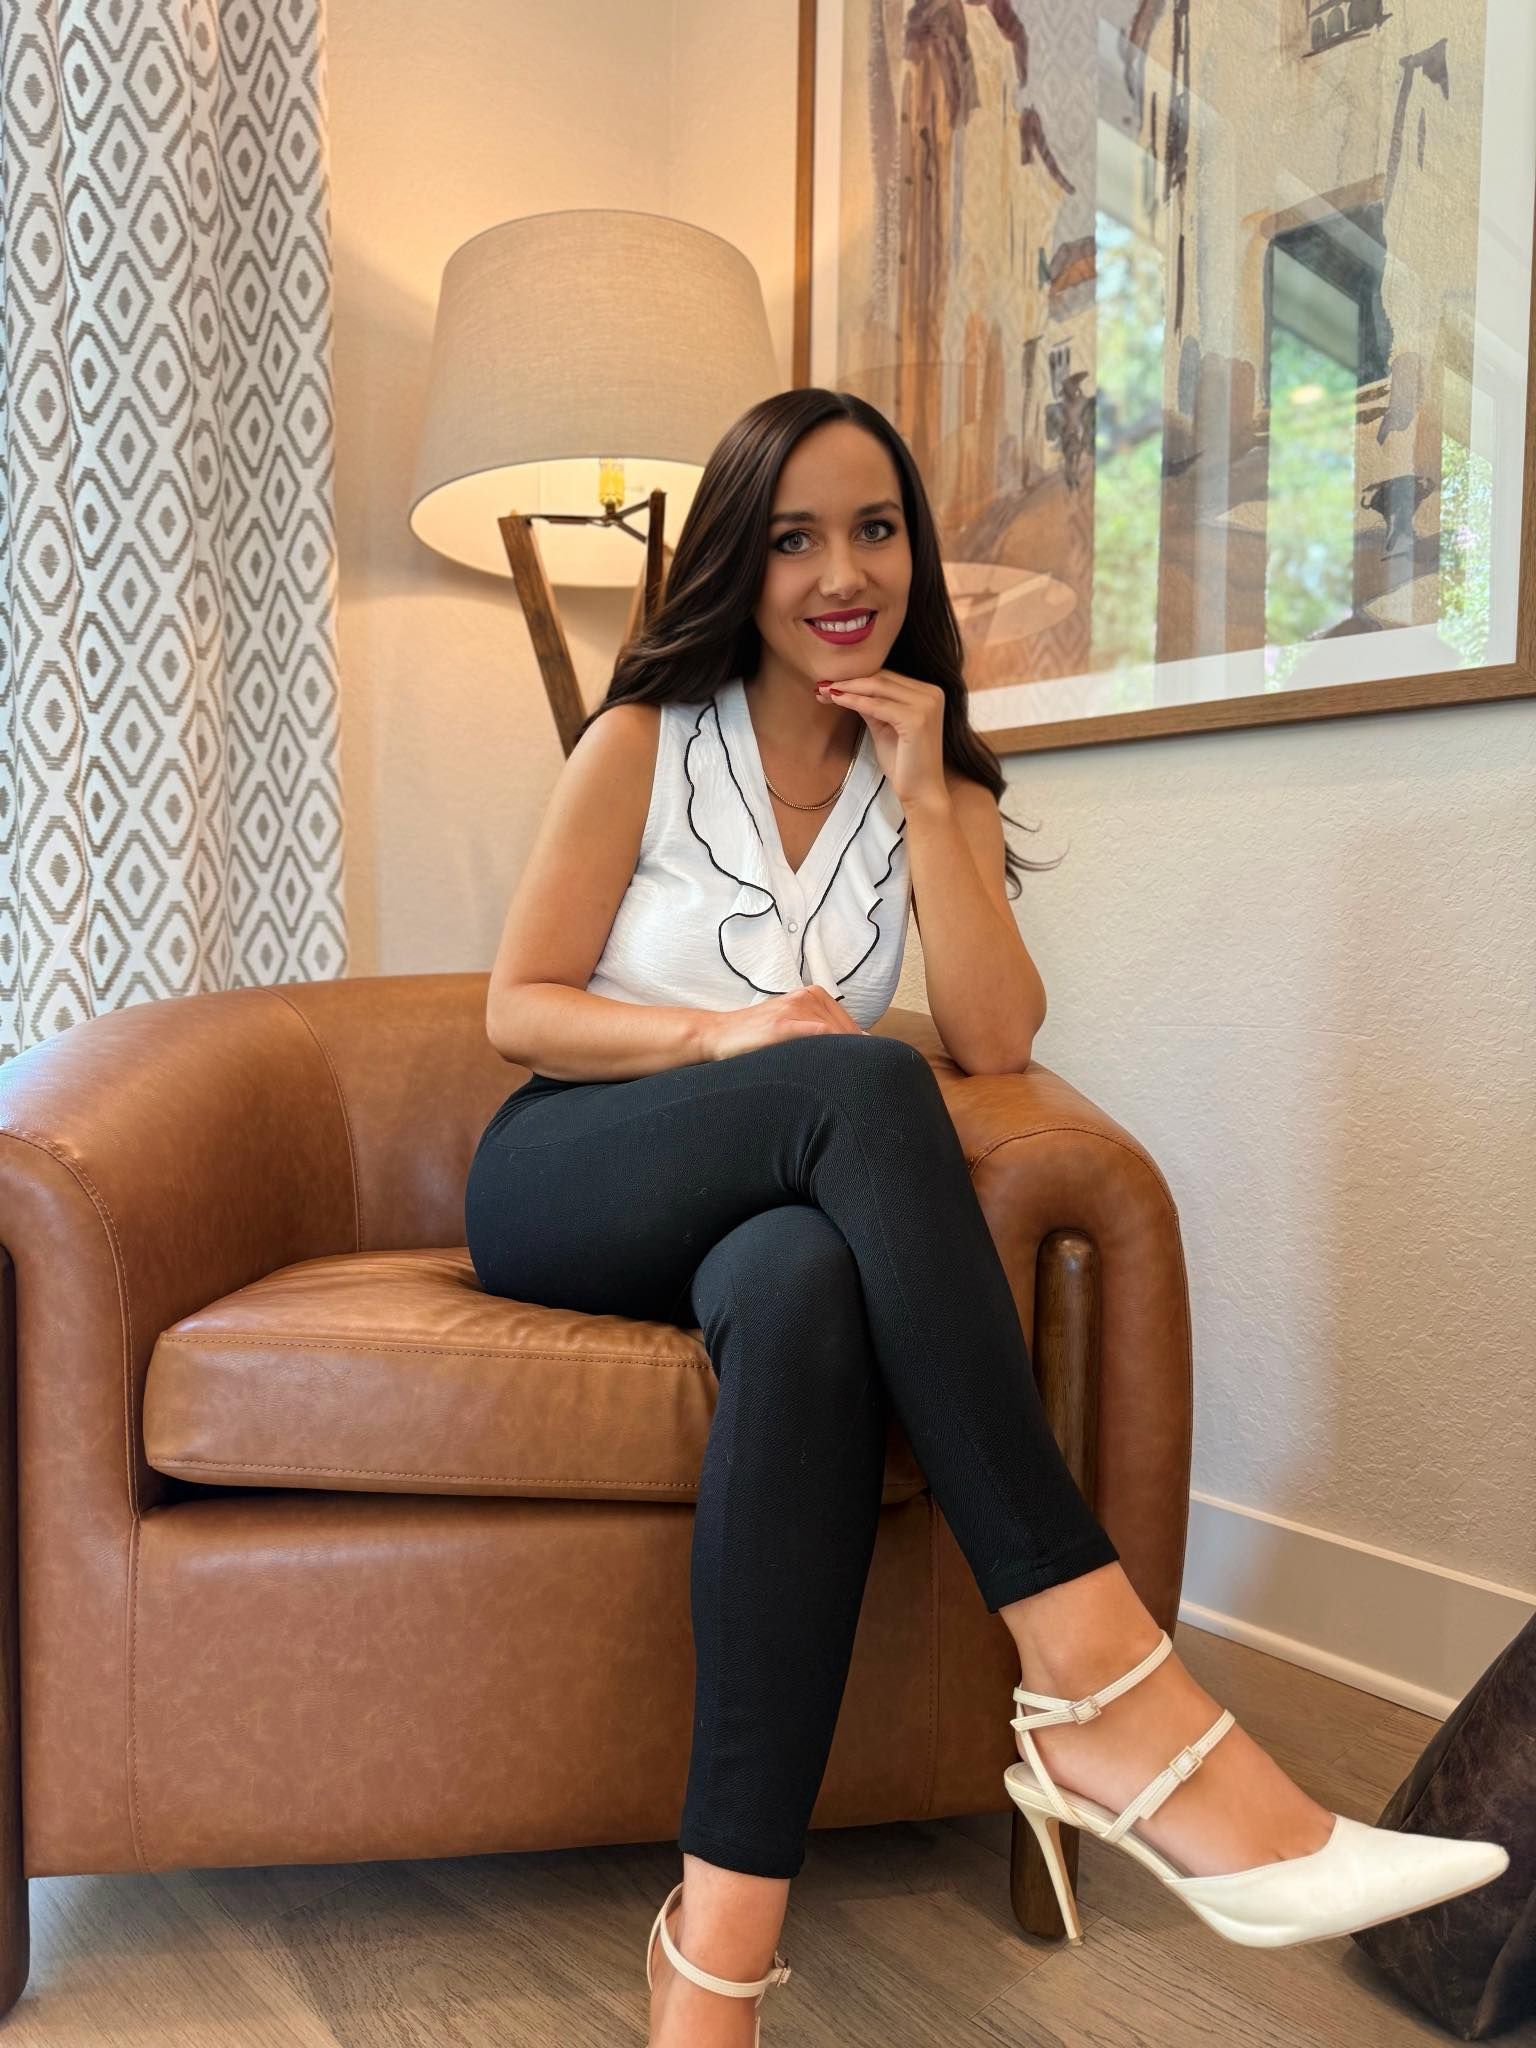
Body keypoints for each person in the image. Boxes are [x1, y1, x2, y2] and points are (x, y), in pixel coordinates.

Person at [463, 389, 1508, 2048]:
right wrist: (727, 1037)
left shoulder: (921, 774)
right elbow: (518, 1007)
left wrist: (933, 792)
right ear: (737, 560)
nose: (841, 572)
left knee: (806, 1290)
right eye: (795, 537)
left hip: (762, 1221)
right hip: (572, 1171)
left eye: (875, 528)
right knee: (857, 1082)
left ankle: (711, 1967)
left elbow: (998, 1039)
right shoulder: (646, 740)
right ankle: (1101, 1682)